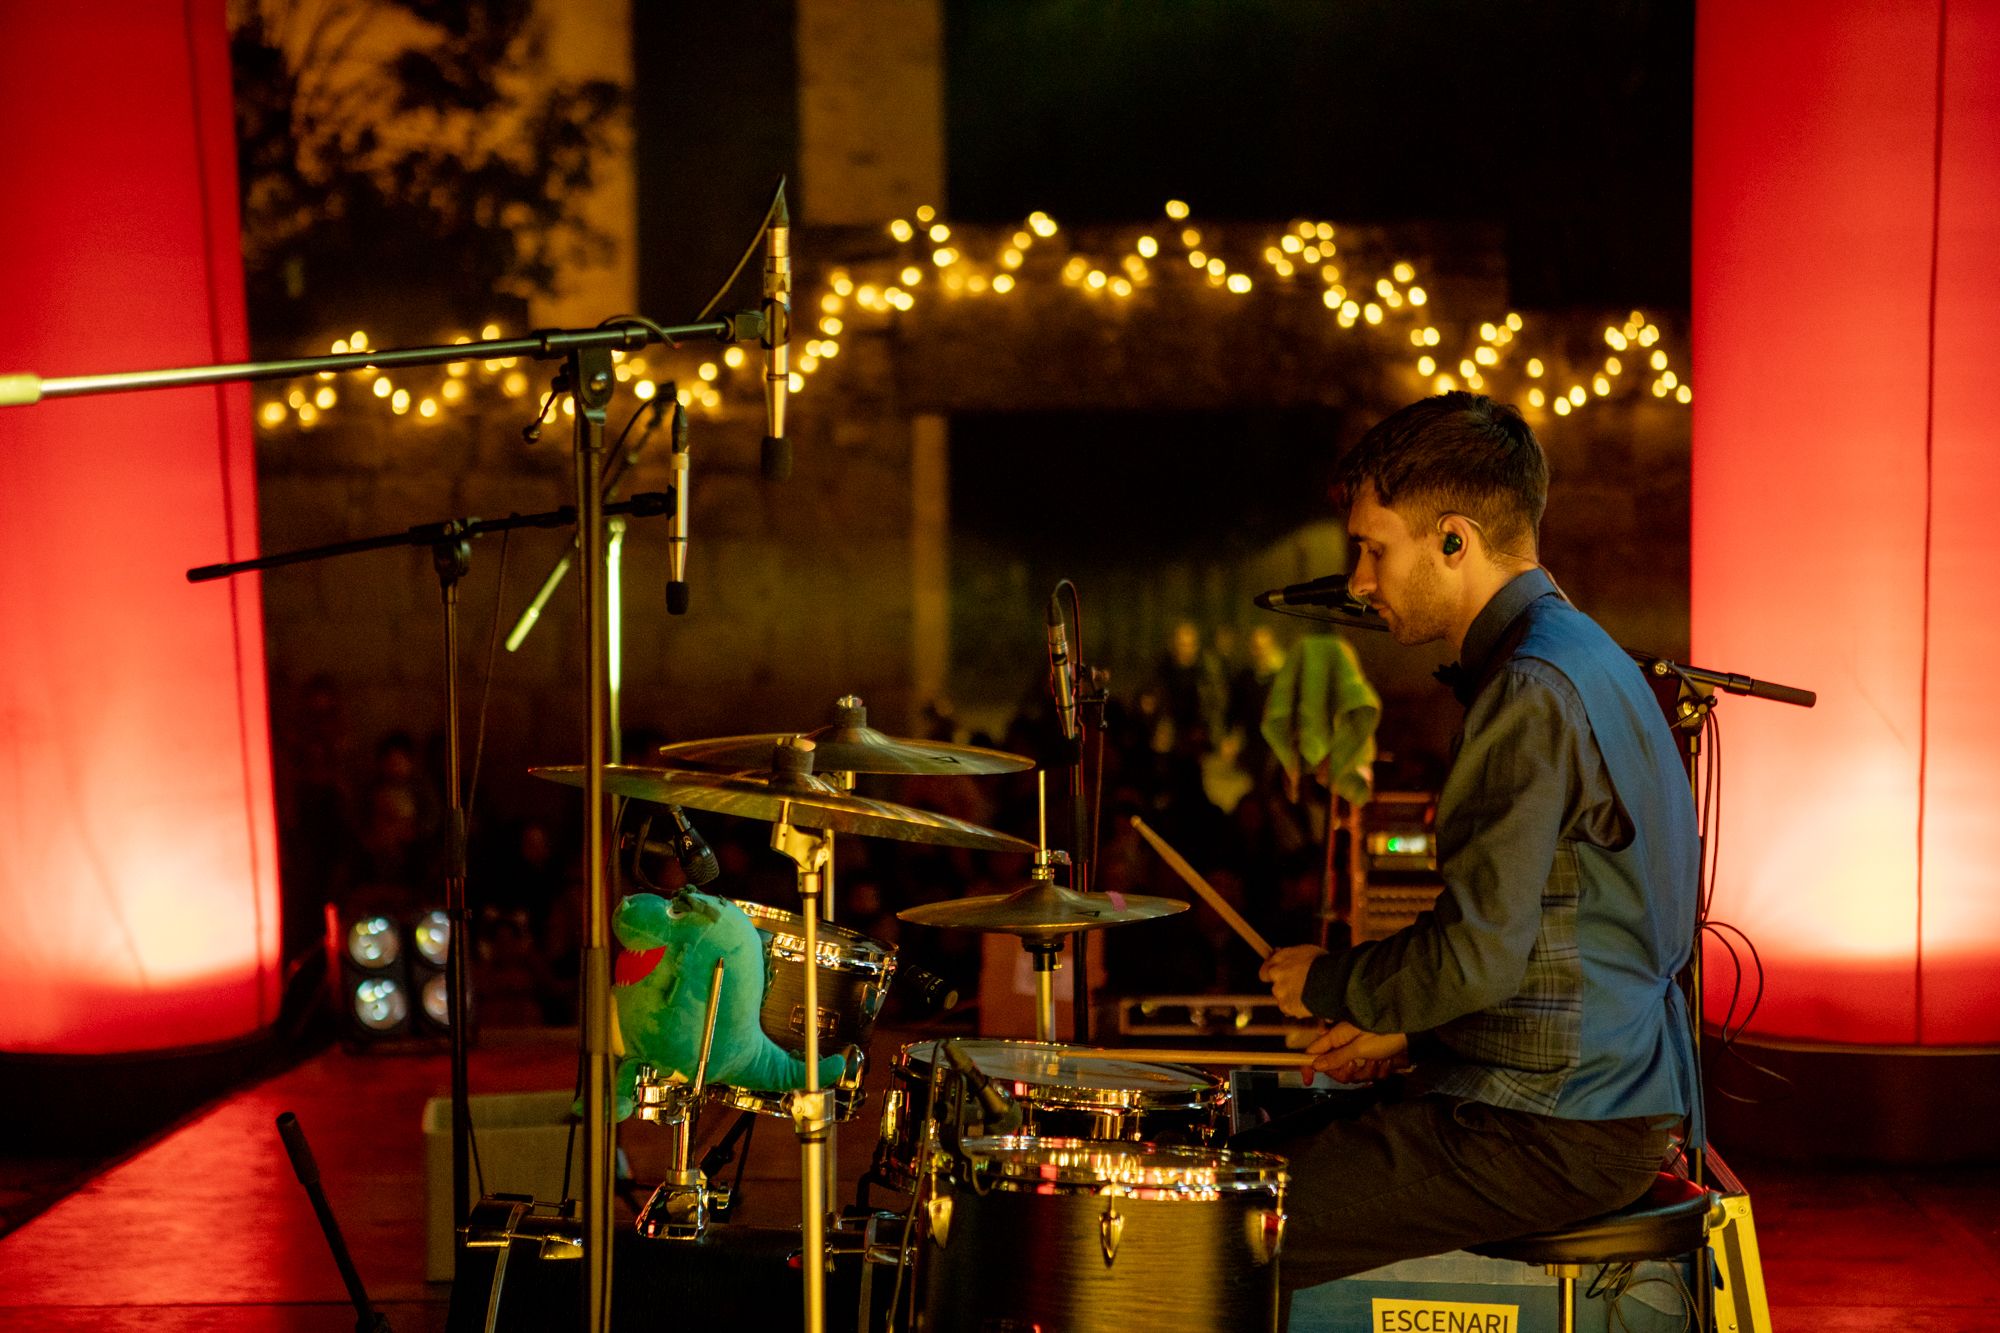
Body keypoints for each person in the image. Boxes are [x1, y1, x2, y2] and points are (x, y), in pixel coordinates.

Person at [1248, 392, 1700, 1292]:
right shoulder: (1586, 653)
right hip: (1605, 1096)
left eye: (1375, 549)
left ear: (1454, 541)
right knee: (1269, 1156)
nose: (1360, 581)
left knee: (1230, 1224)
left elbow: (1477, 955)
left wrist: (1332, 980)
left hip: (1551, 1125)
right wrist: (1405, 1026)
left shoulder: (1530, 688)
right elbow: (1553, 941)